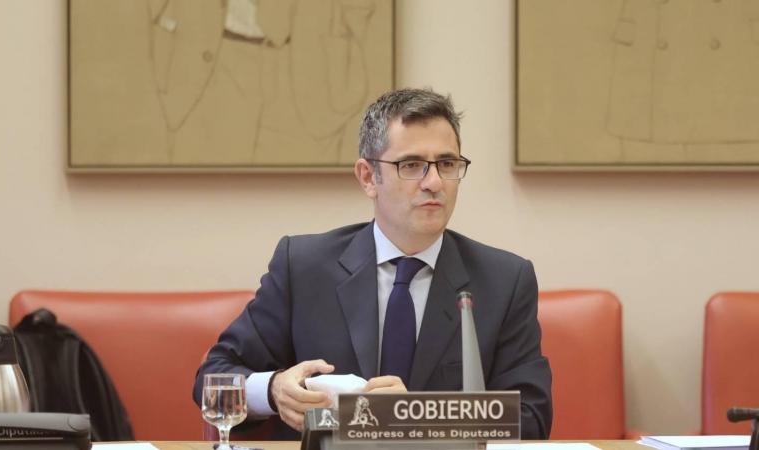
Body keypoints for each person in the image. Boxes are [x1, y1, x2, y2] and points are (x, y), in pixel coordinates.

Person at [193, 88, 552, 440]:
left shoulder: (504, 281)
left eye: (446, 164)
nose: (434, 182)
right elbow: (214, 378)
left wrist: (416, 419)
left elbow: (531, 415)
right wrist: (273, 390)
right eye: (411, 165)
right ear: (368, 178)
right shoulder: (302, 267)